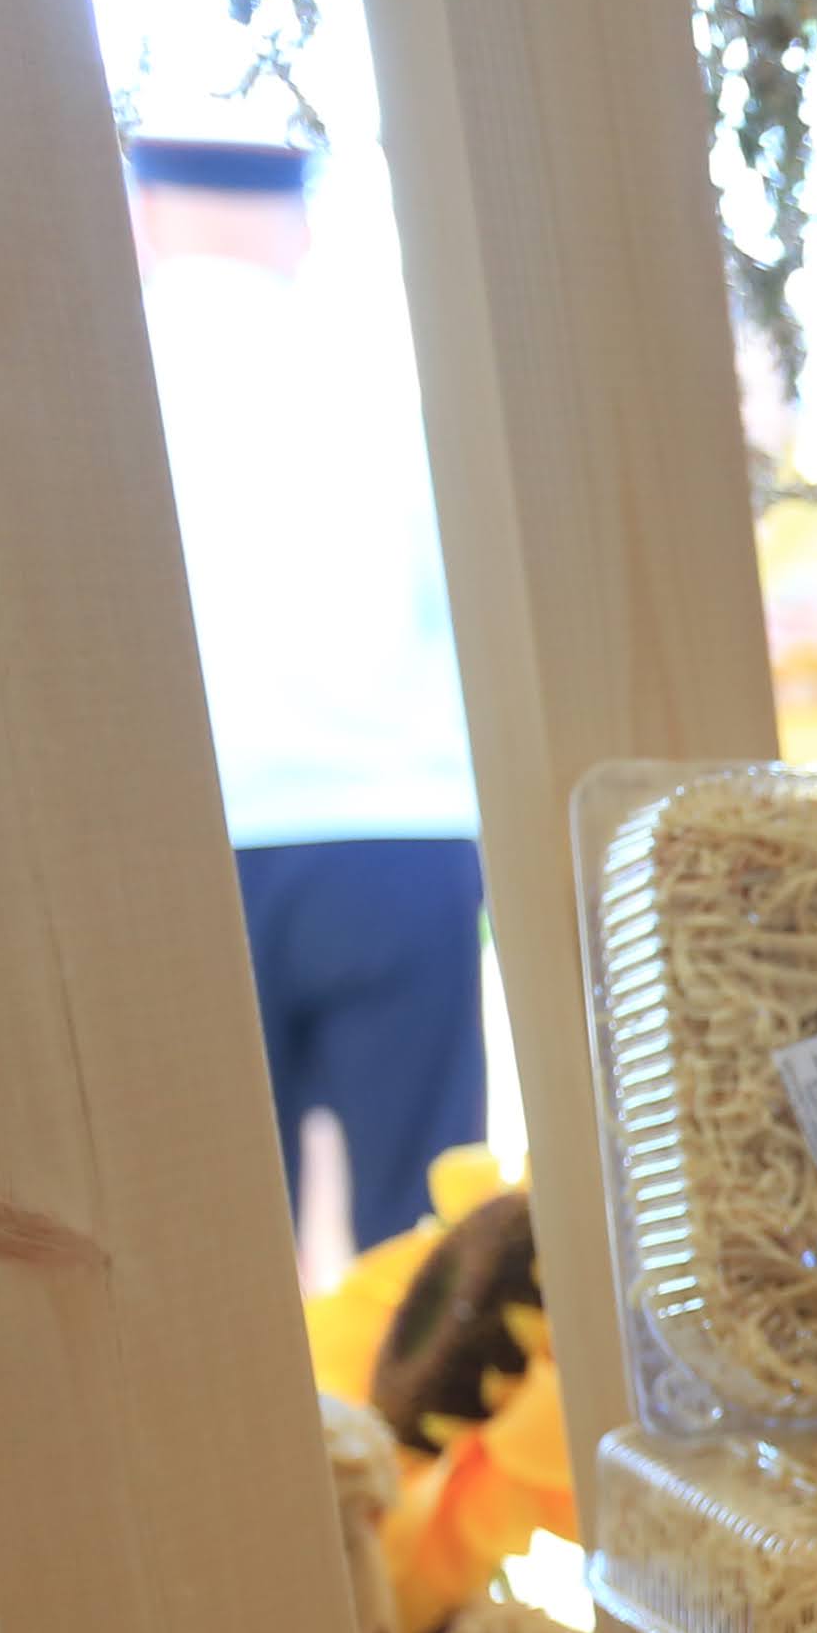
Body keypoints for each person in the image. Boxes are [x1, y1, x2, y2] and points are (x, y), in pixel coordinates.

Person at [127, 128, 490, 1257]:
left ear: (143, 214)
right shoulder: (388, 371)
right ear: (301, 226)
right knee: (429, 1230)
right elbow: (472, 606)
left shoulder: (89, 381)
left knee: (209, 1234)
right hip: (398, 833)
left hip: (179, 843)